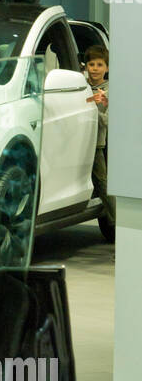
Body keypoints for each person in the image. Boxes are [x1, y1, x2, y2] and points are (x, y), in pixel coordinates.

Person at [83, 43, 115, 242]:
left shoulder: (108, 92)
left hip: (95, 143)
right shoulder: (81, 87)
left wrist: (96, 107)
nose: (95, 68)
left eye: (99, 64)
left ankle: (117, 223)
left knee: (103, 184)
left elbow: (107, 121)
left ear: (107, 68)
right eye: (91, 64)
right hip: (76, 142)